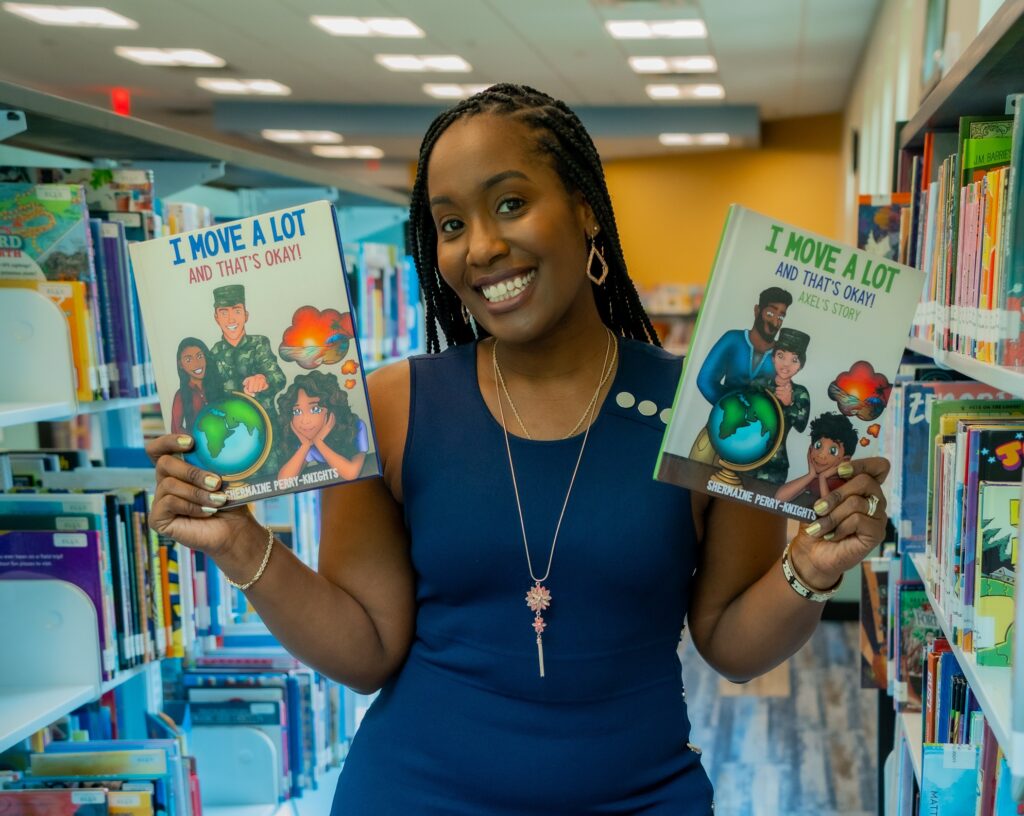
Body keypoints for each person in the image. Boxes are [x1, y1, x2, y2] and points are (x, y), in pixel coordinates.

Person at [146, 84, 890, 815]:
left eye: (510, 204)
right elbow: (365, 651)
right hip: (413, 793)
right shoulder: (390, 406)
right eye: (450, 224)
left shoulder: (704, 416)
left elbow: (731, 641)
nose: (484, 247)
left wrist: (811, 568)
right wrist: (239, 546)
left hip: (639, 796)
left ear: (585, 209)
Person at [695, 286, 792, 405]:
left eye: (781, 317)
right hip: (725, 419)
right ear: (757, 310)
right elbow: (705, 380)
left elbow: (783, 394)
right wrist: (730, 408)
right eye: (770, 313)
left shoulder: (782, 355)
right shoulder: (733, 339)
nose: (775, 322)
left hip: (760, 421)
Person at [208, 284, 286, 419]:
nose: (231, 319)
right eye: (224, 313)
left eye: (237, 311)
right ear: (216, 318)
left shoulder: (259, 344)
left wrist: (263, 380)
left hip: (267, 425)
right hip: (234, 428)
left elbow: (279, 378)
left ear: (246, 315)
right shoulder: (214, 353)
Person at [276, 370, 368, 482]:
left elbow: (351, 473)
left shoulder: (356, 427)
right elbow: (283, 483)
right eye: (297, 412)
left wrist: (319, 442)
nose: (304, 421)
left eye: (315, 409)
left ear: (332, 408)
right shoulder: (305, 439)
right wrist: (305, 446)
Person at [752, 327, 812, 486]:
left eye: (794, 360)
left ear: (800, 366)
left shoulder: (800, 393)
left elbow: (801, 425)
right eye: (781, 356)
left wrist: (789, 404)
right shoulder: (759, 384)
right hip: (747, 454)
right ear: (773, 358)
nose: (786, 365)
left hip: (775, 464)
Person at [775, 412, 859, 504]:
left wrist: (822, 478)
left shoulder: (844, 485)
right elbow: (779, 498)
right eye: (818, 446)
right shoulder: (814, 479)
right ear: (810, 449)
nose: (821, 455)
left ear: (845, 460)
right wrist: (810, 475)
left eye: (832, 451)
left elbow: (827, 510)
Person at [170, 337, 223, 435]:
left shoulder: (218, 385)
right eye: (189, 360)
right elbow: (176, 431)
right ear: (181, 365)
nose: (197, 363)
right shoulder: (181, 395)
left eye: (199, 357)